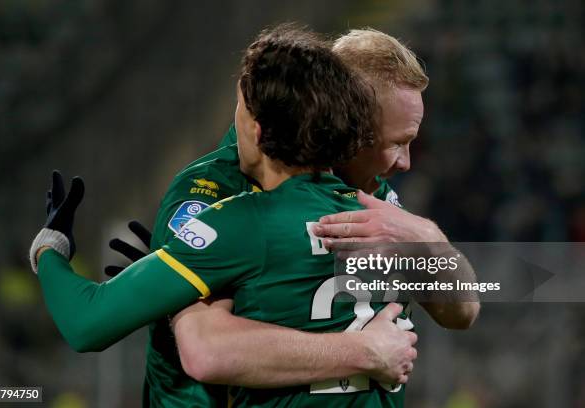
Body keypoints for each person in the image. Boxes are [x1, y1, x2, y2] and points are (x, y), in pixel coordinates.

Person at [29, 25, 417, 407]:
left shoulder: (234, 217)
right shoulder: (379, 211)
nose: (405, 160)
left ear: (259, 127)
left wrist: (50, 248)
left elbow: (93, 326)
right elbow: (467, 301)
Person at [107, 28, 479, 406]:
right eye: (394, 143)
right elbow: (207, 348)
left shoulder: (370, 195)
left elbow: (463, 309)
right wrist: (365, 351)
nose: (406, 162)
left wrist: (424, 237)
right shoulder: (213, 190)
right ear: (346, 124)